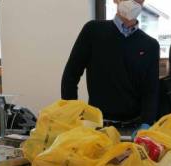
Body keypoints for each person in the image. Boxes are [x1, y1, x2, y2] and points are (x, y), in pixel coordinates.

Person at [61, 0, 159, 134]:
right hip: (97, 128)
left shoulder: (150, 45)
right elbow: (71, 76)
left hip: (133, 129)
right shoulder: (93, 31)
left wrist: (147, 123)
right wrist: (71, 115)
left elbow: (151, 91)